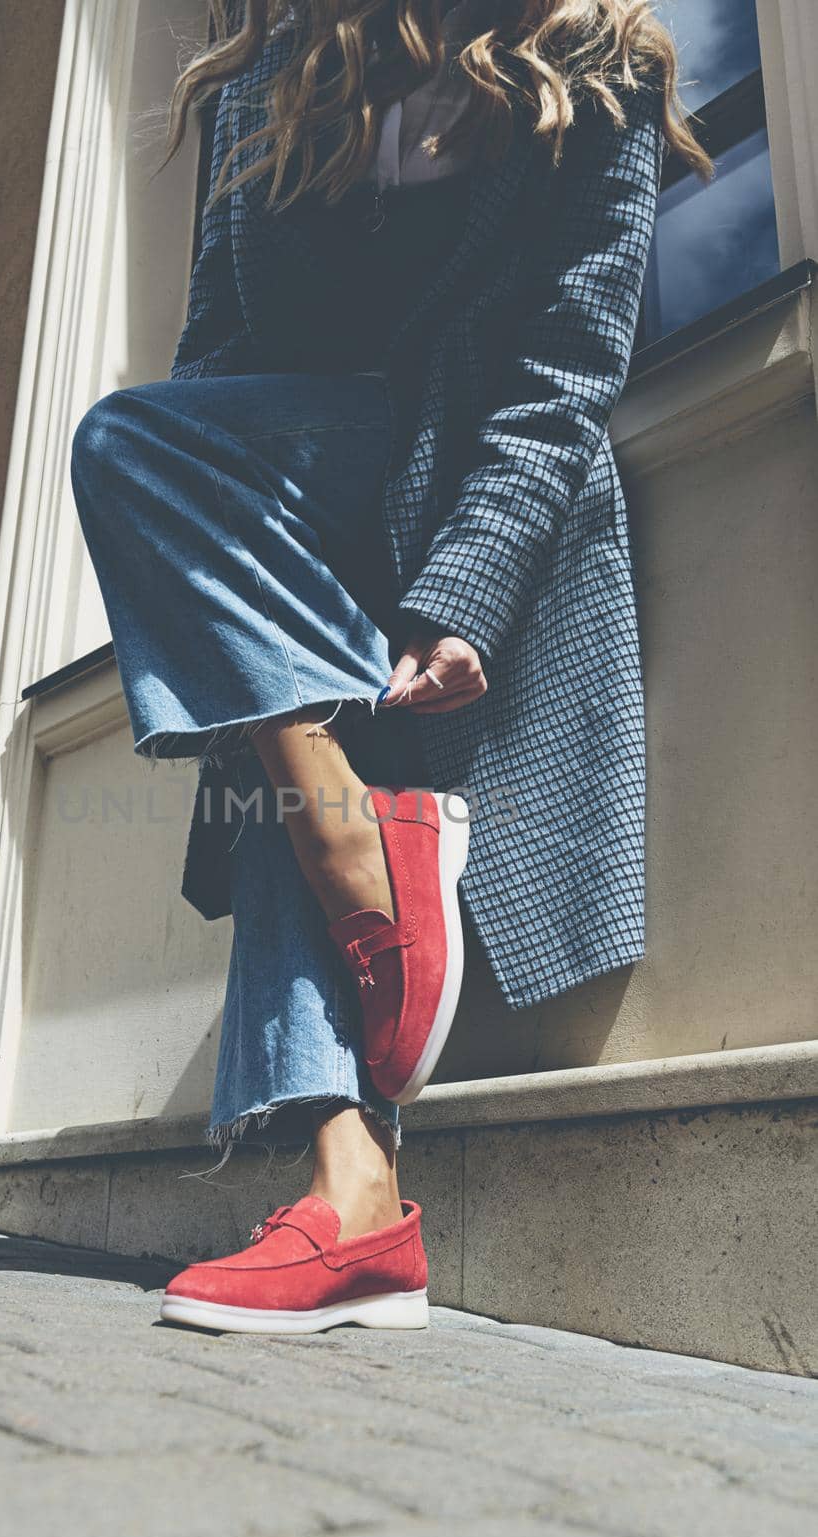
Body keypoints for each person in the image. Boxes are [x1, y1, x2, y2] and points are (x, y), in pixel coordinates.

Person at [69, 0, 712, 1334]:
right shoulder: (269, 72)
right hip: (302, 492)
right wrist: (210, 566)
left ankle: (353, 1176)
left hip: (461, 477)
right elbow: (216, 359)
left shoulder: (591, 68)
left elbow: (564, 374)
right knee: (135, 450)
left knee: (275, 736)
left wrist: (466, 588)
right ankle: (352, 1176)